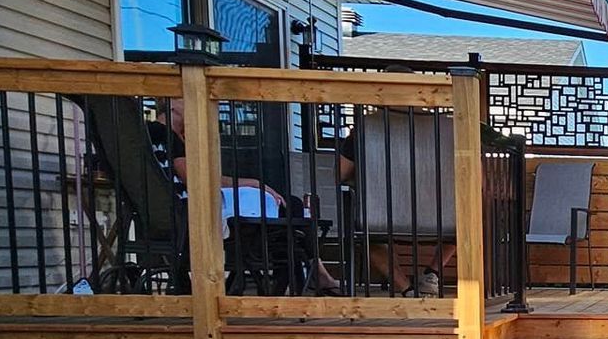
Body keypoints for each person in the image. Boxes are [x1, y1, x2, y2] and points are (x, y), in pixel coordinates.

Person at [152, 101, 340, 293]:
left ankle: (307, 274)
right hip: (197, 211)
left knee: (288, 218)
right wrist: (253, 183)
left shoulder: (154, 136)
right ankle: (309, 275)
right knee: (291, 208)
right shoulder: (166, 134)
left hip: (181, 211)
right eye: (186, 98)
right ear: (172, 104)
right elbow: (196, 179)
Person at [336, 127, 454, 297]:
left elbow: (340, 174)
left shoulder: (365, 130)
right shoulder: (445, 131)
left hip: (384, 215)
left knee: (368, 235)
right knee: (461, 223)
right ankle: (432, 274)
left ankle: (406, 289)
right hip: (437, 215)